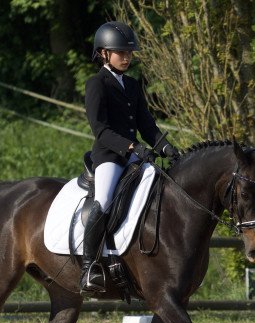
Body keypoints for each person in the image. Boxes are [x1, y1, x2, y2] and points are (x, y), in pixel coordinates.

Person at [80, 20, 180, 295]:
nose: (126, 57)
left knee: (159, 187)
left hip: (132, 156)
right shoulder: (96, 84)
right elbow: (101, 130)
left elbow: (147, 125)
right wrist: (133, 148)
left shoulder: (133, 85)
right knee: (103, 200)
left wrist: (166, 148)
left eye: (129, 53)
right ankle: (89, 267)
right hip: (110, 157)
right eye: (120, 52)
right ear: (103, 53)